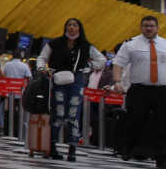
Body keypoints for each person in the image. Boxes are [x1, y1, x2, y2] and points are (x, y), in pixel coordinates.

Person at [37, 17, 106, 162]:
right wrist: (43, 69)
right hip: (58, 80)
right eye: (69, 25)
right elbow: (42, 58)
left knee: (74, 113)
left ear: (79, 28)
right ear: (65, 27)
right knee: (58, 112)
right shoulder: (54, 43)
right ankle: (52, 146)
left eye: (75, 25)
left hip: (77, 81)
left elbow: (102, 60)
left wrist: (89, 68)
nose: (72, 28)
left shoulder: (86, 46)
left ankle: (72, 149)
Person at [111, 15, 166, 168]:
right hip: (139, 90)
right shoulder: (131, 44)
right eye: (146, 26)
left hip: (162, 90)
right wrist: (117, 81)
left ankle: (161, 157)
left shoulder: (165, 44)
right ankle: (129, 148)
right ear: (141, 28)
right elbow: (118, 63)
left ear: (157, 27)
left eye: (152, 26)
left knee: (163, 124)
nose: (149, 28)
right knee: (135, 121)